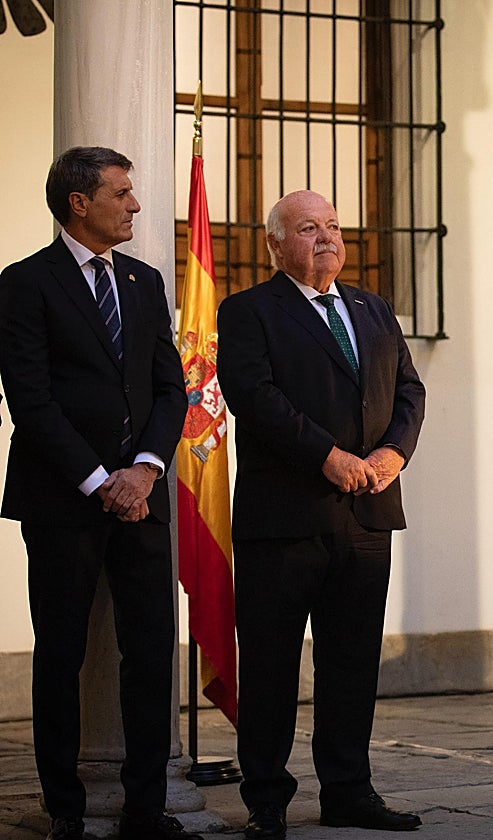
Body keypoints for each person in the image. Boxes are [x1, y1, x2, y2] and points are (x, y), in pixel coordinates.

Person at [218, 190, 427, 836]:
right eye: (309, 228)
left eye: (333, 225)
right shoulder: (249, 311)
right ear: (275, 245)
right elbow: (254, 397)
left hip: (367, 514)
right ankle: (267, 799)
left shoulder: (372, 308)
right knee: (271, 665)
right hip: (285, 518)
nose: (328, 237)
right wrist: (326, 457)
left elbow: (410, 390)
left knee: (352, 663)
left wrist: (395, 452)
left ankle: (348, 790)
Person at [0, 147, 192, 840]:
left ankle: (146, 807)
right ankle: (66, 810)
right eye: (121, 192)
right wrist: (98, 480)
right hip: (62, 501)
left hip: (143, 497)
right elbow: (31, 399)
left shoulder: (143, 281)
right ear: (79, 203)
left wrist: (143, 470)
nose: (135, 204)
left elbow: (171, 389)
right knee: (61, 653)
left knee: (151, 652)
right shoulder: (25, 282)